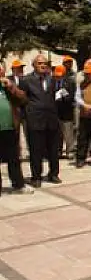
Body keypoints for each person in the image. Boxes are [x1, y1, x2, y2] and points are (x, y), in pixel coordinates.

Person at [19, 55, 62, 187]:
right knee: (36, 150)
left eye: (45, 63)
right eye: (40, 63)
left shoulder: (52, 79)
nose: (43, 65)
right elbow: (22, 99)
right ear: (34, 65)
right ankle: (36, 177)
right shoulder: (26, 80)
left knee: (53, 150)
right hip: (35, 120)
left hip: (52, 119)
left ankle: (53, 174)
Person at [0, 65, 32, 195]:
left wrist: (11, 87)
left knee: (14, 158)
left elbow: (23, 99)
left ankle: (18, 185)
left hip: (10, 128)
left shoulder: (7, 86)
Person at [54, 65, 76, 159]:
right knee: (57, 134)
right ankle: (58, 151)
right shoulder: (52, 82)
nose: (58, 77)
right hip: (56, 111)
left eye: (60, 75)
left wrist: (62, 94)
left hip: (67, 111)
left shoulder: (70, 83)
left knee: (68, 133)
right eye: (56, 75)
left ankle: (70, 151)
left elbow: (71, 97)